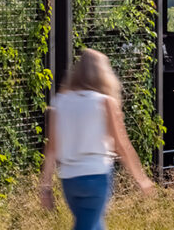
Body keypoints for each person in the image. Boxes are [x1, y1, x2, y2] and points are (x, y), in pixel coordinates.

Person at [38, 49, 155, 229]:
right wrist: (140, 178)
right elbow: (121, 146)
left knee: (94, 224)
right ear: (103, 74)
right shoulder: (106, 102)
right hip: (96, 177)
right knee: (88, 224)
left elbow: (52, 148)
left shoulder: (60, 102)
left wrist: (45, 186)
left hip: (69, 180)